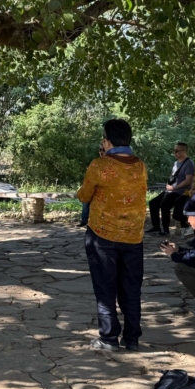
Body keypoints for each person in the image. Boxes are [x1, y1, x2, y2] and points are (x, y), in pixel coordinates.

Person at [77, 119, 148, 353]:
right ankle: (132, 339)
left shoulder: (100, 165)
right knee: (131, 288)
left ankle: (108, 338)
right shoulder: (140, 166)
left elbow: (84, 195)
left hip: (102, 236)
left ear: (107, 140)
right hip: (134, 237)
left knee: (105, 287)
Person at [146, 142, 195, 236]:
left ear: (184, 151)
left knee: (165, 205)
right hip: (170, 190)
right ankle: (156, 226)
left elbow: (188, 180)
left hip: (179, 192)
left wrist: (174, 187)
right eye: (174, 150)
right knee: (153, 203)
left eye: (177, 151)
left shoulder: (189, 163)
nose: (174, 152)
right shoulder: (176, 163)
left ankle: (165, 229)